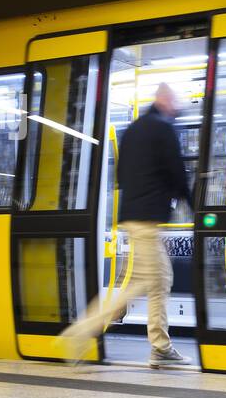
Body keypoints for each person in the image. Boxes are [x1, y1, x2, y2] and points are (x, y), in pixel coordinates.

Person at [61, 83, 190, 368]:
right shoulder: (163, 128)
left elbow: (120, 174)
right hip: (146, 221)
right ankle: (85, 330)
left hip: (134, 218)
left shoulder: (133, 129)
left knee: (152, 281)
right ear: (164, 99)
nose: (177, 106)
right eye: (175, 100)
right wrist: (190, 204)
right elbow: (178, 174)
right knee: (150, 282)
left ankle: (160, 346)